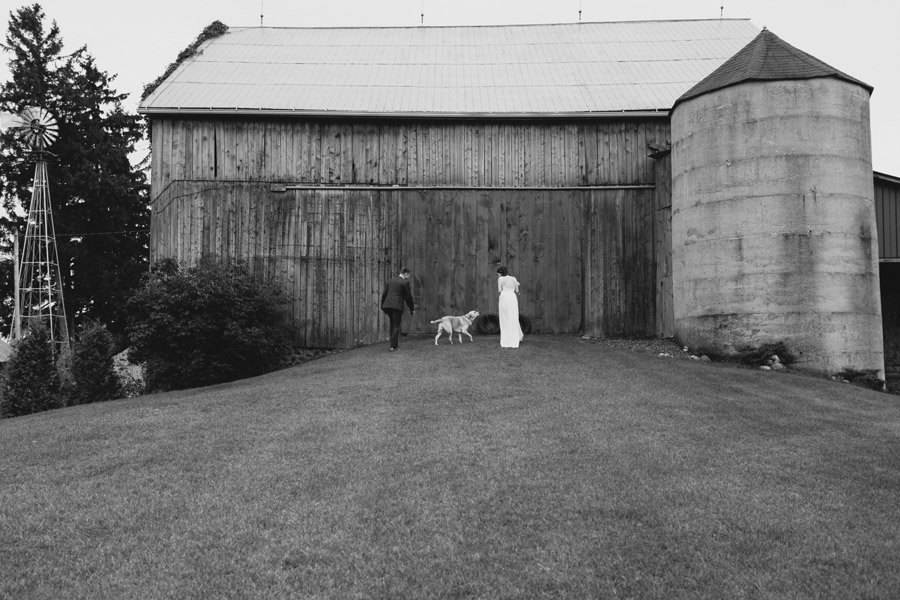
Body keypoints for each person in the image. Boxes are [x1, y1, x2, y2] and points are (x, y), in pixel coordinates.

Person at [381, 267, 415, 351]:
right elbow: (408, 297)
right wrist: (412, 309)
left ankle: (393, 344)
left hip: (387, 306)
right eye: (408, 275)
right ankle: (393, 346)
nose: (408, 277)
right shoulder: (405, 282)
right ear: (405, 274)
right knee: (396, 325)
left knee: (393, 324)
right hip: (396, 306)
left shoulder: (391, 281)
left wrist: (382, 305)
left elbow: (384, 294)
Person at [496, 265, 524, 348]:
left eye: (498, 274)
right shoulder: (513, 278)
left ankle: (507, 338)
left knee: (505, 317)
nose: (497, 276)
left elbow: (499, 290)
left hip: (504, 297)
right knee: (513, 316)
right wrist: (516, 285)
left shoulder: (500, 279)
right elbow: (517, 291)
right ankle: (517, 336)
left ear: (500, 273)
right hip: (512, 297)